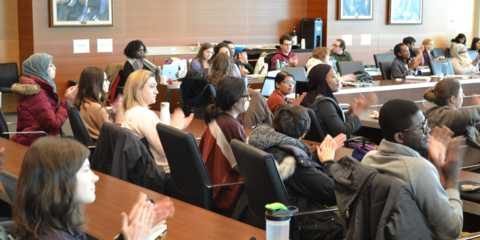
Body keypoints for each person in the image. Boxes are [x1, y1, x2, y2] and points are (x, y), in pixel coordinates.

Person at [11, 137, 175, 240]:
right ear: (61, 182)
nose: (95, 177)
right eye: (85, 170)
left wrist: (127, 235)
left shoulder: (58, 222)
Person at [362, 99, 466, 239]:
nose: (428, 130)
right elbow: (453, 229)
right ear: (399, 137)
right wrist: (452, 180)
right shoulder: (420, 170)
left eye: (426, 123)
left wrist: (434, 167)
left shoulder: (368, 159)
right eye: (421, 127)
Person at [247, 104, 345, 240]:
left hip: (264, 216)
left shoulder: (264, 143)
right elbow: (333, 193)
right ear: (304, 133)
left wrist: (316, 156)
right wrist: (328, 162)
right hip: (301, 221)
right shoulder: (293, 164)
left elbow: (302, 171)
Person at [121, 70, 193, 193]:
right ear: (136, 89)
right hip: (162, 176)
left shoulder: (129, 111)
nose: (157, 92)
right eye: (152, 87)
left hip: (143, 174)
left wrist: (173, 128)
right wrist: (175, 128)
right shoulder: (143, 115)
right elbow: (166, 151)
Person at [198, 76, 250, 216]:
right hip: (227, 193)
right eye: (246, 95)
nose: (249, 99)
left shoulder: (219, 118)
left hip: (213, 186)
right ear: (234, 100)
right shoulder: (230, 125)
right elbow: (245, 166)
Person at [11, 53, 78, 147]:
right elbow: (53, 124)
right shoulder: (37, 92)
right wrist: (68, 100)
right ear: (39, 69)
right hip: (37, 141)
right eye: (51, 65)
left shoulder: (40, 87)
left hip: (41, 137)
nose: (55, 68)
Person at [300, 64, 377, 140]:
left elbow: (330, 122)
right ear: (322, 81)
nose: (338, 79)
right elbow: (343, 133)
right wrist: (360, 110)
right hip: (333, 149)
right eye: (333, 76)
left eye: (337, 76)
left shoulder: (310, 98)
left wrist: (349, 113)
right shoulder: (324, 104)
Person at [424, 78, 480, 172]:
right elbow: (467, 116)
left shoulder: (447, 114)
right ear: (453, 99)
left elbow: (472, 125)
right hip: (471, 168)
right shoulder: (438, 115)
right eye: (461, 93)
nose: (463, 95)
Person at [74, 66, 123, 144]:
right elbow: (117, 136)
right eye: (106, 80)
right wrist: (120, 111)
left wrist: (113, 114)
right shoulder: (95, 108)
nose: (109, 83)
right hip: (104, 150)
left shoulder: (86, 102)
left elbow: (107, 125)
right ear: (96, 84)